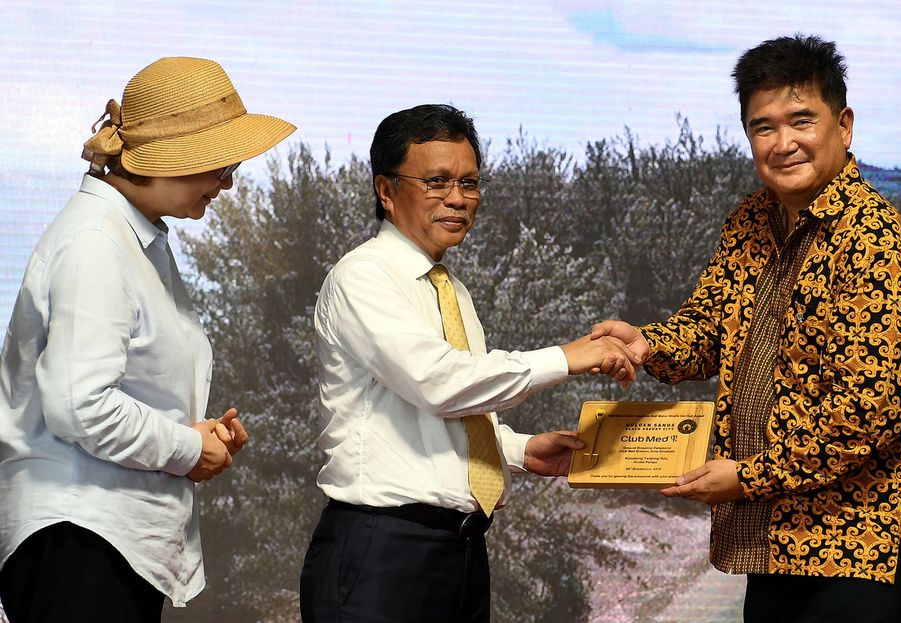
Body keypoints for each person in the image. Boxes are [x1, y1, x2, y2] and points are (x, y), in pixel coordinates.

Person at [593, 35, 901, 623]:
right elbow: (709, 325)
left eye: (801, 120)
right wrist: (649, 344)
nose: (783, 144)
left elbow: (865, 419)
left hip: (862, 551)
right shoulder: (753, 219)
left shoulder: (878, 246)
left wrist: (748, 477)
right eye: (763, 127)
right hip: (778, 545)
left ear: (844, 125)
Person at [299, 103, 640, 622]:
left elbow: (442, 416)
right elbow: (439, 384)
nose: (457, 199)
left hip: (457, 552)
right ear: (386, 191)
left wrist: (522, 451)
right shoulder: (362, 277)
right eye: (436, 182)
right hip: (382, 552)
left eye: (470, 182)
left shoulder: (450, 288)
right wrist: (566, 358)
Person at [0, 57, 295, 621]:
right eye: (221, 163)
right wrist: (187, 449)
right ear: (172, 157)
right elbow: (79, 405)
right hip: (79, 539)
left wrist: (188, 435)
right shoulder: (97, 242)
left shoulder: (128, 238)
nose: (228, 182)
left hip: (94, 538)